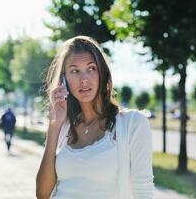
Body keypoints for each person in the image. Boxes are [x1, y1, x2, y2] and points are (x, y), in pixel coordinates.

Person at [36, 36, 154, 199]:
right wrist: (54, 126)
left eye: (91, 69)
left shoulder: (133, 123)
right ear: (64, 81)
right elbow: (42, 194)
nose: (84, 80)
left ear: (102, 73)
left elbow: (144, 191)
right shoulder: (63, 127)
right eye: (75, 71)